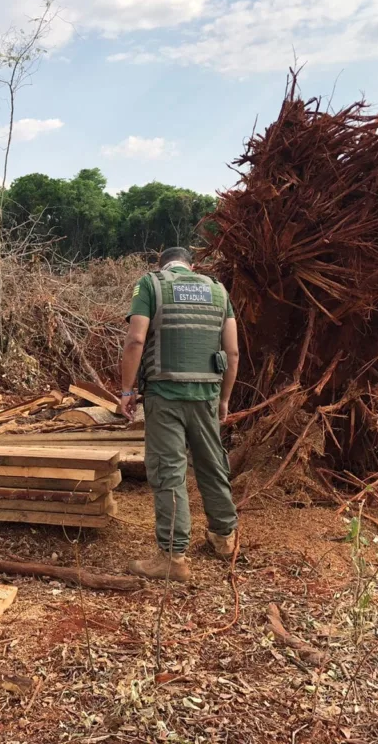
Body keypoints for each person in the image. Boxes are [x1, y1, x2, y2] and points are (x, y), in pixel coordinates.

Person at [118, 246, 239, 581]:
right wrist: (224, 398)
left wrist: (127, 391)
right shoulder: (217, 289)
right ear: (192, 266)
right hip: (207, 394)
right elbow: (232, 351)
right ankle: (224, 538)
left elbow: (135, 340)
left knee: (169, 470)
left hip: (165, 393)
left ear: (163, 265)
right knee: (212, 463)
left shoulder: (151, 285)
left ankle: (173, 556)